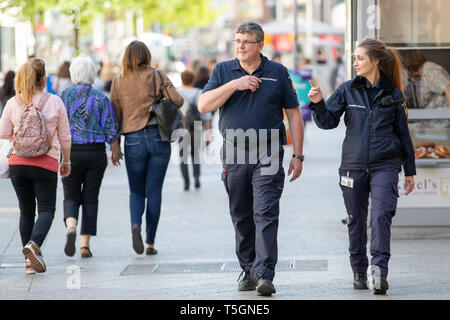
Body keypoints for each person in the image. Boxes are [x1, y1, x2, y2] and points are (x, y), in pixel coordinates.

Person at [198, 22, 304, 296]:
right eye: (237, 40)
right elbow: (203, 105)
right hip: (233, 150)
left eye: (246, 41)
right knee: (241, 213)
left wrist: (298, 155)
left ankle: (264, 274)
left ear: (260, 45)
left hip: (268, 149)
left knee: (265, 212)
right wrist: (235, 85)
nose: (240, 46)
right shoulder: (223, 70)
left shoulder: (277, 72)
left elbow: (293, 113)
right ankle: (247, 269)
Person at [308, 38, 416, 294]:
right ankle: (359, 269)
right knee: (356, 220)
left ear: (375, 60)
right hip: (353, 167)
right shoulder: (347, 90)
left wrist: (409, 170)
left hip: (386, 165)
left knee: (380, 217)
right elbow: (327, 122)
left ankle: (379, 271)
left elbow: (403, 134)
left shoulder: (394, 94)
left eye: (360, 58)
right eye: (354, 58)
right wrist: (318, 102)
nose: (355, 62)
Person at [110, 40, 183, 256]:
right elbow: (177, 101)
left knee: (136, 190)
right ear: (147, 55)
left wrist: (115, 146)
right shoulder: (157, 75)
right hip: (158, 136)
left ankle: (135, 224)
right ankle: (150, 242)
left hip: (132, 139)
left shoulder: (118, 81)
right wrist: (159, 95)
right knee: (154, 192)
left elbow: (115, 116)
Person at [0, 58, 72, 274]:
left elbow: (3, 133)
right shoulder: (55, 102)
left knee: (26, 210)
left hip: (18, 164)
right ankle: (34, 244)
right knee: (47, 209)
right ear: (43, 78)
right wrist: (66, 161)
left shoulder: (14, 102)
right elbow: (65, 137)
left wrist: (19, 137)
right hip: (46, 162)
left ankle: (29, 263)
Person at [60, 54, 122, 258]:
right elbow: (110, 127)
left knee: (70, 194)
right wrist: (115, 151)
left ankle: (71, 227)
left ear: (73, 74)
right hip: (96, 154)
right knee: (90, 197)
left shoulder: (64, 96)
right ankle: (85, 245)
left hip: (71, 153)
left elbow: (56, 127)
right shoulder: (101, 98)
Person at [178, 70, 212, 190]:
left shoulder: (177, 94)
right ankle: (196, 178)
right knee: (196, 155)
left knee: (183, 157)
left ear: (182, 80)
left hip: (182, 128)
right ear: (193, 80)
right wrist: (208, 130)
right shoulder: (199, 93)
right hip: (197, 126)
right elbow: (206, 114)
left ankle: (186, 182)